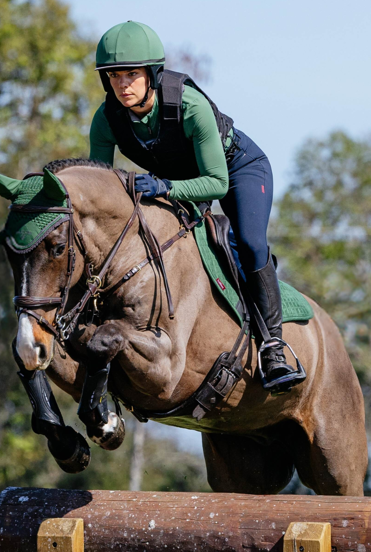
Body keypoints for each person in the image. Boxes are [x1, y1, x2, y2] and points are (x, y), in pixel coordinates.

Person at [89, 20, 303, 392]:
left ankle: (273, 347)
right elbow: (100, 190)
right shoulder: (106, 120)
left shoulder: (189, 106)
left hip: (235, 169)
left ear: (152, 74)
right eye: (114, 76)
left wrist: (164, 187)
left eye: (132, 74)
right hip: (178, 180)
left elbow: (216, 182)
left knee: (249, 243)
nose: (123, 84)